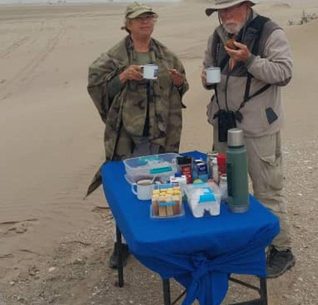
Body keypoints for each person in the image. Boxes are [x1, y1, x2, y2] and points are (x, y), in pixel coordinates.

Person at [86, 2, 188, 269]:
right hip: (126, 137)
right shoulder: (113, 57)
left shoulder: (166, 55)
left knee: (163, 182)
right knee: (125, 190)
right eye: (139, 19)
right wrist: (121, 77)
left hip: (160, 134)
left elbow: (181, 86)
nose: (145, 22)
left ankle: (160, 237)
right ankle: (122, 244)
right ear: (128, 24)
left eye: (149, 18)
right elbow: (97, 87)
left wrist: (179, 83)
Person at [201, 0, 294, 278]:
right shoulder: (216, 37)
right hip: (223, 125)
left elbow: (284, 73)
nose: (226, 15)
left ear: (246, 6)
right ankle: (236, 242)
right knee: (225, 187)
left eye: (231, 8)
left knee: (267, 191)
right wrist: (207, 78)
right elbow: (207, 69)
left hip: (258, 126)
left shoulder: (269, 32)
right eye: (221, 11)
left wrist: (249, 60)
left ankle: (282, 250)